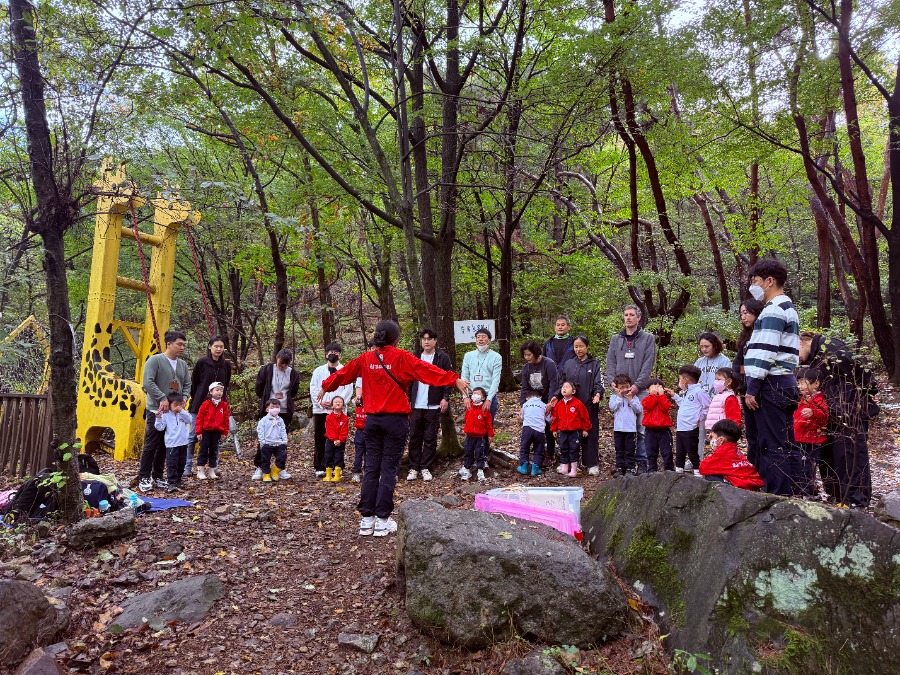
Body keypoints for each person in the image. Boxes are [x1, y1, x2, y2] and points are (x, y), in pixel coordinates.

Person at [319, 320, 468, 537]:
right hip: (395, 422)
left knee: (371, 468)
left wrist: (325, 387)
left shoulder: (366, 358)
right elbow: (426, 371)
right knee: (388, 469)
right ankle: (381, 520)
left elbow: (343, 374)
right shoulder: (401, 357)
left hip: (371, 422)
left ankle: (367, 520)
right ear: (396, 338)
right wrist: (453, 379)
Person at [799, 331, 877, 506]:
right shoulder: (820, 354)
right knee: (833, 455)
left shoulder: (832, 349)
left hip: (849, 413)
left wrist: (856, 403)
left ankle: (855, 498)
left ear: (801, 343)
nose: (797, 359)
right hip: (834, 413)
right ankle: (839, 495)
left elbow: (863, 376)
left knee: (849, 454)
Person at [743, 259, 801, 496]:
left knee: (771, 443)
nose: (753, 287)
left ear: (769, 281)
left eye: (755, 281)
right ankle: (795, 490)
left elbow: (765, 351)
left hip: (772, 383)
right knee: (786, 442)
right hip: (786, 382)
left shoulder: (774, 310)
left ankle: (775, 495)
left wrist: (752, 386)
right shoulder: (788, 308)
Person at [139, 330, 191, 492]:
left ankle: (158, 475)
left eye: (184, 344)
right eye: (179, 344)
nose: (182, 347)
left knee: (164, 444)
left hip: (175, 413)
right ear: (169, 344)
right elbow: (148, 382)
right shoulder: (155, 360)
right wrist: (162, 398)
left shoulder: (182, 365)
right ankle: (144, 477)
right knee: (152, 444)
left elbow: (187, 384)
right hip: (157, 410)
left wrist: (184, 398)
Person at [606, 305, 656, 465]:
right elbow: (610, 363)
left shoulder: (648, 338)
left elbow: (648, 364)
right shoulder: (616, 339)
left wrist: (637, 386)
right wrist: (613, 383)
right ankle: (624, 464)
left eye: (632, 315)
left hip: (639, 391)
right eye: (626, 315)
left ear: (638, 318)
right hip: (619, 391)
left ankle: (642, 462)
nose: (628, 318)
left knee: (641, 428)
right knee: (622, 428)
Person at [550, 336, 604, 474]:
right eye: (576, 347)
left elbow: (599, 383)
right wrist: (557, 396)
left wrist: (598, 394)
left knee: (589, 433)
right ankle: (568, 463)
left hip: (587, 404)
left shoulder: (594, 363)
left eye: (581, 346)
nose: (578, 349)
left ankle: (591, 463)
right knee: (569, 435)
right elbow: (562, 382)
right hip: (569, 405)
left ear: (587, 347)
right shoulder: (569, 363)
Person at [406, 328, 452, 482]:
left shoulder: (442, 358)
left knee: (430, 437)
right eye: (424, 338)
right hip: (416, 404)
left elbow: (447, 379)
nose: (426, 341)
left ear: (435, 340)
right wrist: (407, 399)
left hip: (433, 404)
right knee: (414, 437)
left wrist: (445, 397)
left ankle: (425, 467)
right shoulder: (415, 357)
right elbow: (408, 380)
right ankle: (413, 467)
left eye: (429, 338)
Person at [186, 336, 232, 477]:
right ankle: (187, 467)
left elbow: (226, 383)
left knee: (215, 437)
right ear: (209, 347)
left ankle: (214, 466)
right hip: (200, 402)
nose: (218, 349)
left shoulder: (226, 365)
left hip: (219, 405)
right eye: (216, 346)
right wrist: (196, 398)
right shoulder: (202, 363)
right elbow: (195, 383)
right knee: (193, 435)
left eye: (221, 346)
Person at [253, 349, 301, 479]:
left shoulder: (293, 374)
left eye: (286, 364)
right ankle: (260, 467)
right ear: (276, 358)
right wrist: (267, 403)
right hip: (268, 410)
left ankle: (280, 467)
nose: (283, 366)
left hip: (284, 410)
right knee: (265, 440)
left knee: (281, 441)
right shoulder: (267, 370)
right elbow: (259, 387)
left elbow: (294, 391)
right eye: (281, 363)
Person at [310, 344, 355, 479]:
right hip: (321, 409)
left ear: (340, 355)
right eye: (330, 352)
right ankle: (320, 466)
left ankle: (337, 466)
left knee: (339, 438)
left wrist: (338, 404)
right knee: (320, 437)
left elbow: (348, 390)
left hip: (338, 411)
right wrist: (321, 402)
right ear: (325, 355)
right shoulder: (318, 371)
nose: (333, 354)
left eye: (335, 352)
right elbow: (313, 388)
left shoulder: (345, 370)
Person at [731, 298, 765, 466]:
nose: (743, 317)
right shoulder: (745, 337)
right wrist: (741, 380)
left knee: (762, 433)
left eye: (747, 313)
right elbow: (739, 363)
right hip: (745, 388)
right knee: (751, 433)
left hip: (761, 389)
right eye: (741, 313)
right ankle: (752, 466)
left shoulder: (764, 334)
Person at [519, 340, 559, 467]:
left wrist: (550, 403)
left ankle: (550, 454)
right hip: (533, 401)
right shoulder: (526, 368)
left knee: (548, 427)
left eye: (529, 355)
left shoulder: (548, 364)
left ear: (536, 353)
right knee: (533, 428)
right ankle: (537, 454)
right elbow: (525, 388)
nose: (527, 358)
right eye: (525, 355)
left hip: (547, 399)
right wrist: (523, 405)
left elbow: (554, 384)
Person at [667, 365, 710, 476]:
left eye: (680, 378)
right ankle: (679, 470)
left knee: (691, 451)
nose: (679, 381)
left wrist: (699, 418)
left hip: (690, 427)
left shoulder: (699, 391)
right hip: (681, 427)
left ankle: (697, 471)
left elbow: (707, 405)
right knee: (680, 450)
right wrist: (674, 396)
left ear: (685, 379)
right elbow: (684, 405)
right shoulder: (688, 392)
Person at [793, 366, 828, 498]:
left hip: (812, 440)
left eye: (803, 382)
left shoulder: (819, 400)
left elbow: (825, 415)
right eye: (798, 383)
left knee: (808, 466)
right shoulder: (803, 399)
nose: (800, 386)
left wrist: (814, 412)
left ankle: (807, 491)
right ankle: (801, 489)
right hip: (799, 438)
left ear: (816, 384)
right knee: (800, 465)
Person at [694, 332, 731, 459]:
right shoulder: (699, 362)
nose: (703, 349)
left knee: (717, 433)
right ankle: (697, 459)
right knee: (699, 433)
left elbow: (727, 382)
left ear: (714, 345)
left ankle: (719, 458)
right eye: (702, 346)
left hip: (716, 403)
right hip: (700, 403)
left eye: (707, 346)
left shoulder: (724, 361)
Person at [699, 420, 764, 491]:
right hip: (753, 484)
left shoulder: (722, 452)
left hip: (742, 487)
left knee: (710, 476)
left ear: (721, 440)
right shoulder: (735, 450)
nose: (710, 439)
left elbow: (703, 468)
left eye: (712, 437)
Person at [550, 380, 591, 477]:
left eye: (567, 387)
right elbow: (555, 418)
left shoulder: (577, 403)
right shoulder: (559, 404)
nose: (564, 389)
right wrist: (554, 429)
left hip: (575, 431)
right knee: (563, 448)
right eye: (563, 387)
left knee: (574, 449)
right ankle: (564, 467)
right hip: (563, 431)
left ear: (573, 391)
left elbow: (584, 417)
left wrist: (585, 429)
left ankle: (573, 469)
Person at [154, 392, 193, 492]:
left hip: (183, 443)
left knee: (181, 463)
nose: (177, 407)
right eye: (175, 405)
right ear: (169, 405)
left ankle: (178, 481)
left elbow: (190, 420)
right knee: (172, 464)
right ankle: (171, 482)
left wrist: (182, 411)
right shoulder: (166, 415)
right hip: (172, 444)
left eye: (179, 405)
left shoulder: (183, 414)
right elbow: (160, 427)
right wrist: (158, 418)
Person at [194, 382, 230, 480]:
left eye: (221, 390)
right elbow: (199, 418)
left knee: (214, 451)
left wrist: (225, 432)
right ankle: (200, 471)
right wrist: (198, 432)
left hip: (217, 431)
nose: (219, 392)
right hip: (206, 431)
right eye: (217, 390)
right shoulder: (206, 404)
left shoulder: (224, 405)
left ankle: (212, 470)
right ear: (211, 391)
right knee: (203, 450)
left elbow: (226, 419)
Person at [609, 374, 644, 476]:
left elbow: (638, 409)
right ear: (617, 388)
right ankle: (620, 467)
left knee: (630, 449)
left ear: (630, 386)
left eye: (626, 387)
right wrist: (619, 397)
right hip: (619, 429)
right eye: (621, 387)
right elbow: (612, 407)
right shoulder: (614, 397)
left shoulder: (634, 397)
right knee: (619, 449)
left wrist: (630, 400)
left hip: (630, 429)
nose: (624, 389)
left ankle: (630, 467)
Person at [460, 387, 494, 482]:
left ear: (483, 397)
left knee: (480, 453)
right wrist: (467, 429)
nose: (475, 395)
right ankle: (467, 469)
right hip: (470, 436)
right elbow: (466, 419)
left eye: (478, 394)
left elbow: (489, 423)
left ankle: (480, 470)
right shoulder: (469, 407)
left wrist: (490, 435)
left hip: (480, 437)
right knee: (468, 452)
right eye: (474, 393)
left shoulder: (484, 409)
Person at [642, 378, 674, 472]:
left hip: (664, 430)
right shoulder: (646, 400)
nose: (656, 387)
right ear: (647, 390)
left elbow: (665, 407)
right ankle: (652, 471)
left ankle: (669, 470)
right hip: (650, 430)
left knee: (667, 452)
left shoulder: (663, 398)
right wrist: (653, 395)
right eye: (654, 385)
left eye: (659, 386)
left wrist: (661, 395)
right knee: (651, 452)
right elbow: (649, 406)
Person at [257, 398, 289, 483]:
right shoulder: (263, 420)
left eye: (277, 407)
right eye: (272, 407)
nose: (275, 409)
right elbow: (260, 431)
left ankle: (276, 470)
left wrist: (284, 441)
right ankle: (266, 474)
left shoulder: (280, 420)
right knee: (265, 459)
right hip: (267, 443)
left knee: (282, 456)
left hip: (279, 443)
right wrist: (262, 442)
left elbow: (283, 430)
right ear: (267, 409)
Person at [518, 391, 547, 477]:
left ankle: (523, 466)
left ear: (527, 398)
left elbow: (522, 416)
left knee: (524, 447)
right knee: (539, 449)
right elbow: (549, 418)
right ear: (540, 397)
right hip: (540, 430)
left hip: (527, 428)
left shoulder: (525, 405)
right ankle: (535, 468)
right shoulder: (544, 405)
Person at [323, 396, 350, 482]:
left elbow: (344, 431)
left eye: (340, 402)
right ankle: (328, 474)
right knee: (328, 455)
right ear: (332, 405)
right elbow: (329, 429)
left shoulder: (345, 418)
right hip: (330, 440)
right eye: (336, 402)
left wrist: (340, 439)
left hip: (340, 442)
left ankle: (337, 474)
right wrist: (334, 439)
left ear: (343, 405)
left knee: (339, 456)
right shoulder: (329, 417)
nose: (338, 403)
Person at [351, 391, 367, 482]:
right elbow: (354, 400)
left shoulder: (371, 408)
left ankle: (366, 470)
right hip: (360, 431)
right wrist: (359, 396)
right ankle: (357, 472)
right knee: (359, 453)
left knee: (368, 453)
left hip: (369, 432)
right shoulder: (358, 406)